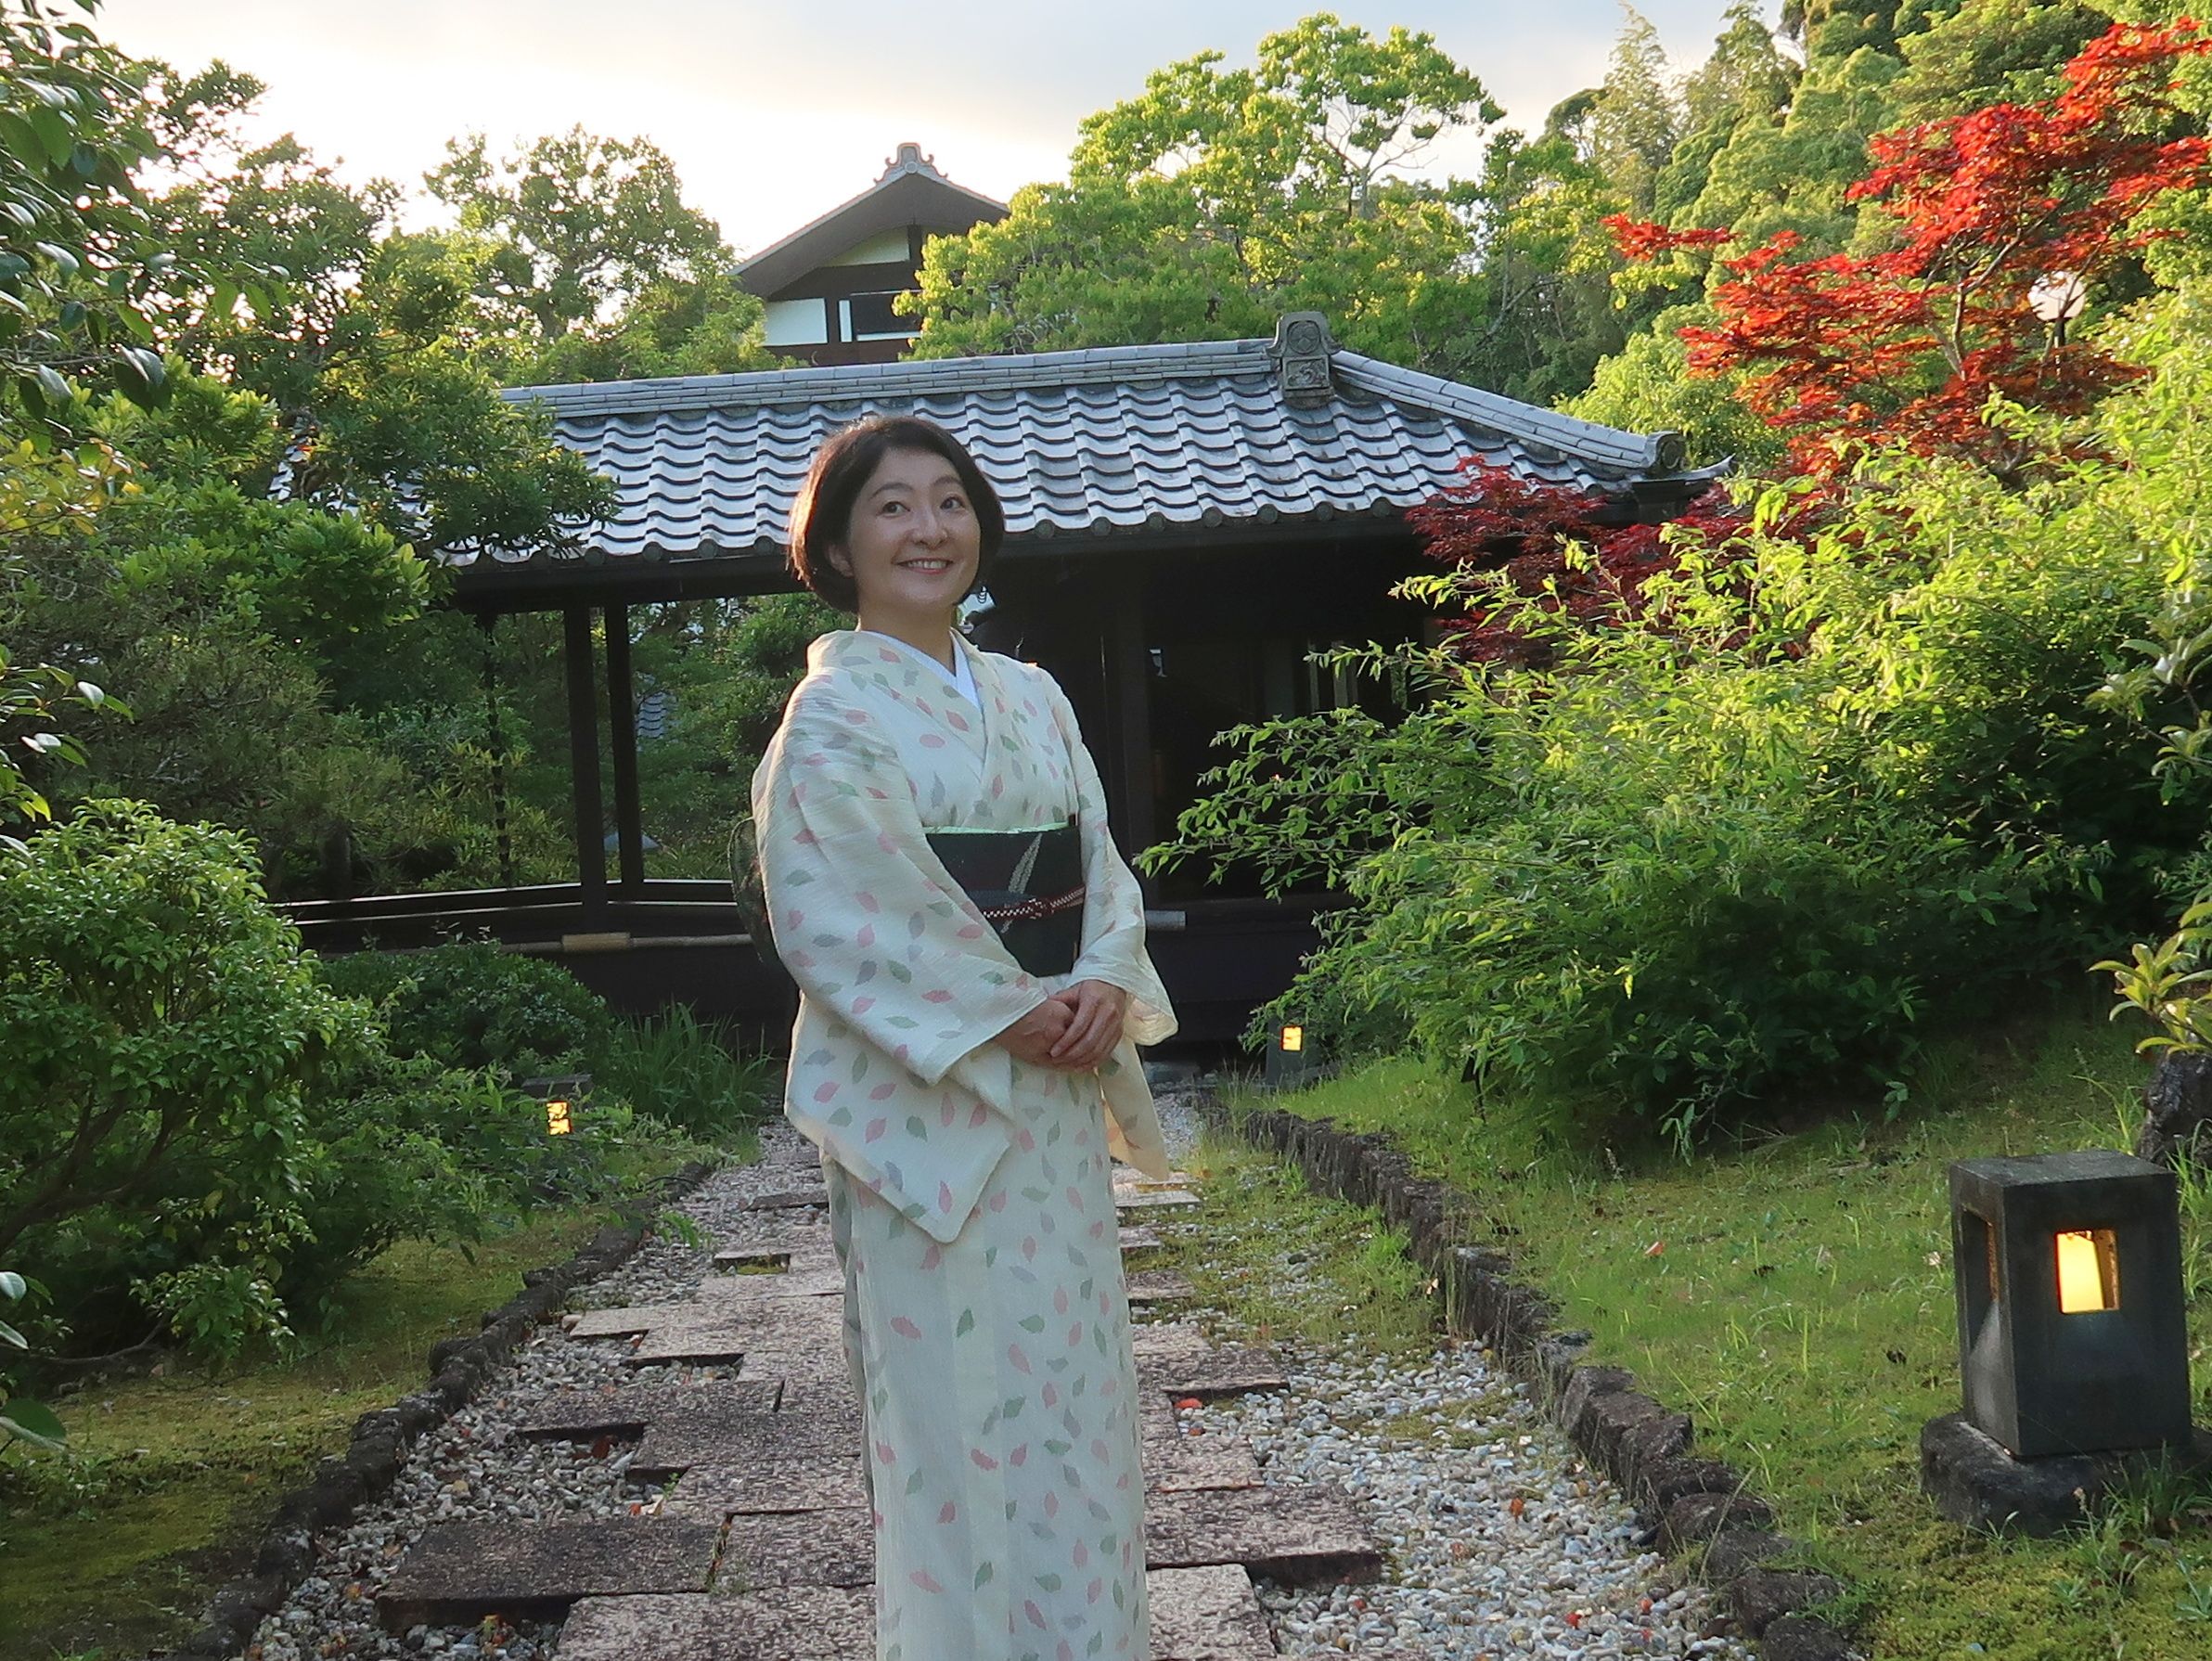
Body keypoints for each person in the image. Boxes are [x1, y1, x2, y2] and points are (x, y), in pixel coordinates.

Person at [748, 413, 1178, 1661]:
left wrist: (1099, 975)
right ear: (837, 544)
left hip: (1046, 1103)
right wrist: (1011, 1002)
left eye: (948, 501)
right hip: (931, 1116)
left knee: (1075, 1400)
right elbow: (842, 910)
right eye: (892, 506)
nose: (927, 528)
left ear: (978, 527)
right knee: (948, 1421)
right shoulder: (830, 725)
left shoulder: (1032, 698)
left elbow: (1100, 862)